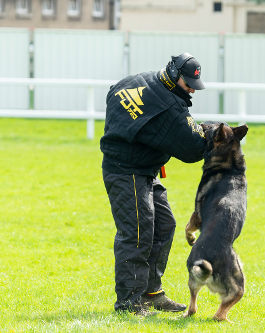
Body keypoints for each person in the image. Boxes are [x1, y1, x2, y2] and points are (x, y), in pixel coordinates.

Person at [100, 53, 207, 317]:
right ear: (173, 76)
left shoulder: (137, 80)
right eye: (188, 84)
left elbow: (112, 96)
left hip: (144, 169)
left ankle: (151, 293)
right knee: (136, 234)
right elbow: (193, 150)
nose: (192, 89)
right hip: (126, 171)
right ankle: (129, 303)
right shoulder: (169, 109)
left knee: (164, 224)